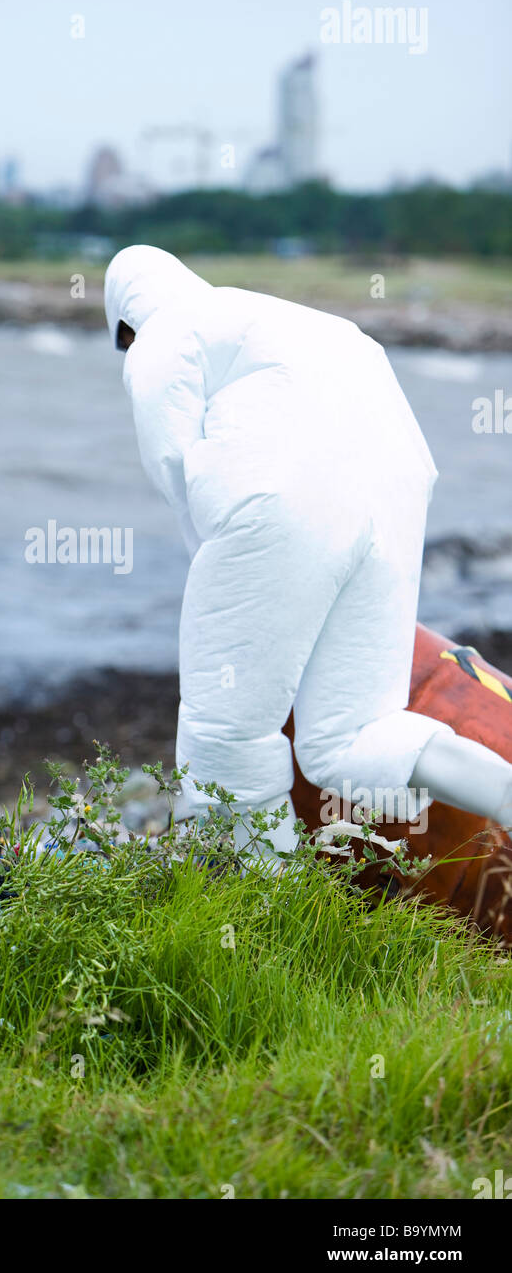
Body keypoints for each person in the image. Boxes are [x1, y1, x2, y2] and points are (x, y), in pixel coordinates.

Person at [105, 245, 512, 863]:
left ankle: (265, 915)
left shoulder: (162, 337)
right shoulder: (291, 319)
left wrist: (232, 594)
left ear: (127, 322)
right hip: (397, 496)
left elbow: (174, 468)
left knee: (227, 736)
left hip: (284, 501)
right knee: (353, 736)